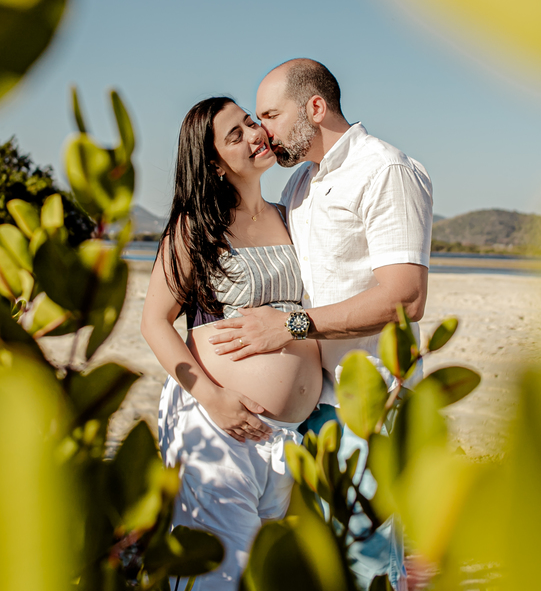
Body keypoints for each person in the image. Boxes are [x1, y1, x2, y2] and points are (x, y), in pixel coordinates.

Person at [206, 59, 433, 591]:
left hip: (370, 402)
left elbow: (406, 296)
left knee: (370, 563)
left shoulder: (386, 171)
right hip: (311, 411)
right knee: (322, 566)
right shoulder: (303, 183)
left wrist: (289, 327)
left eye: (269, 115)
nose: (262, 131)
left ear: (314, 108)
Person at [140, 96, 323, 590]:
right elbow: (155, 323)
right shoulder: (196, 228)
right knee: (221, 575)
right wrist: (214, 399)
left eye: (250, 122)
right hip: (216, 420)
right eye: (235, 135)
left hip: (283, 434)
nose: (253, 134)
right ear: (215, 164)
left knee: (262, 574)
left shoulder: (291, 217)